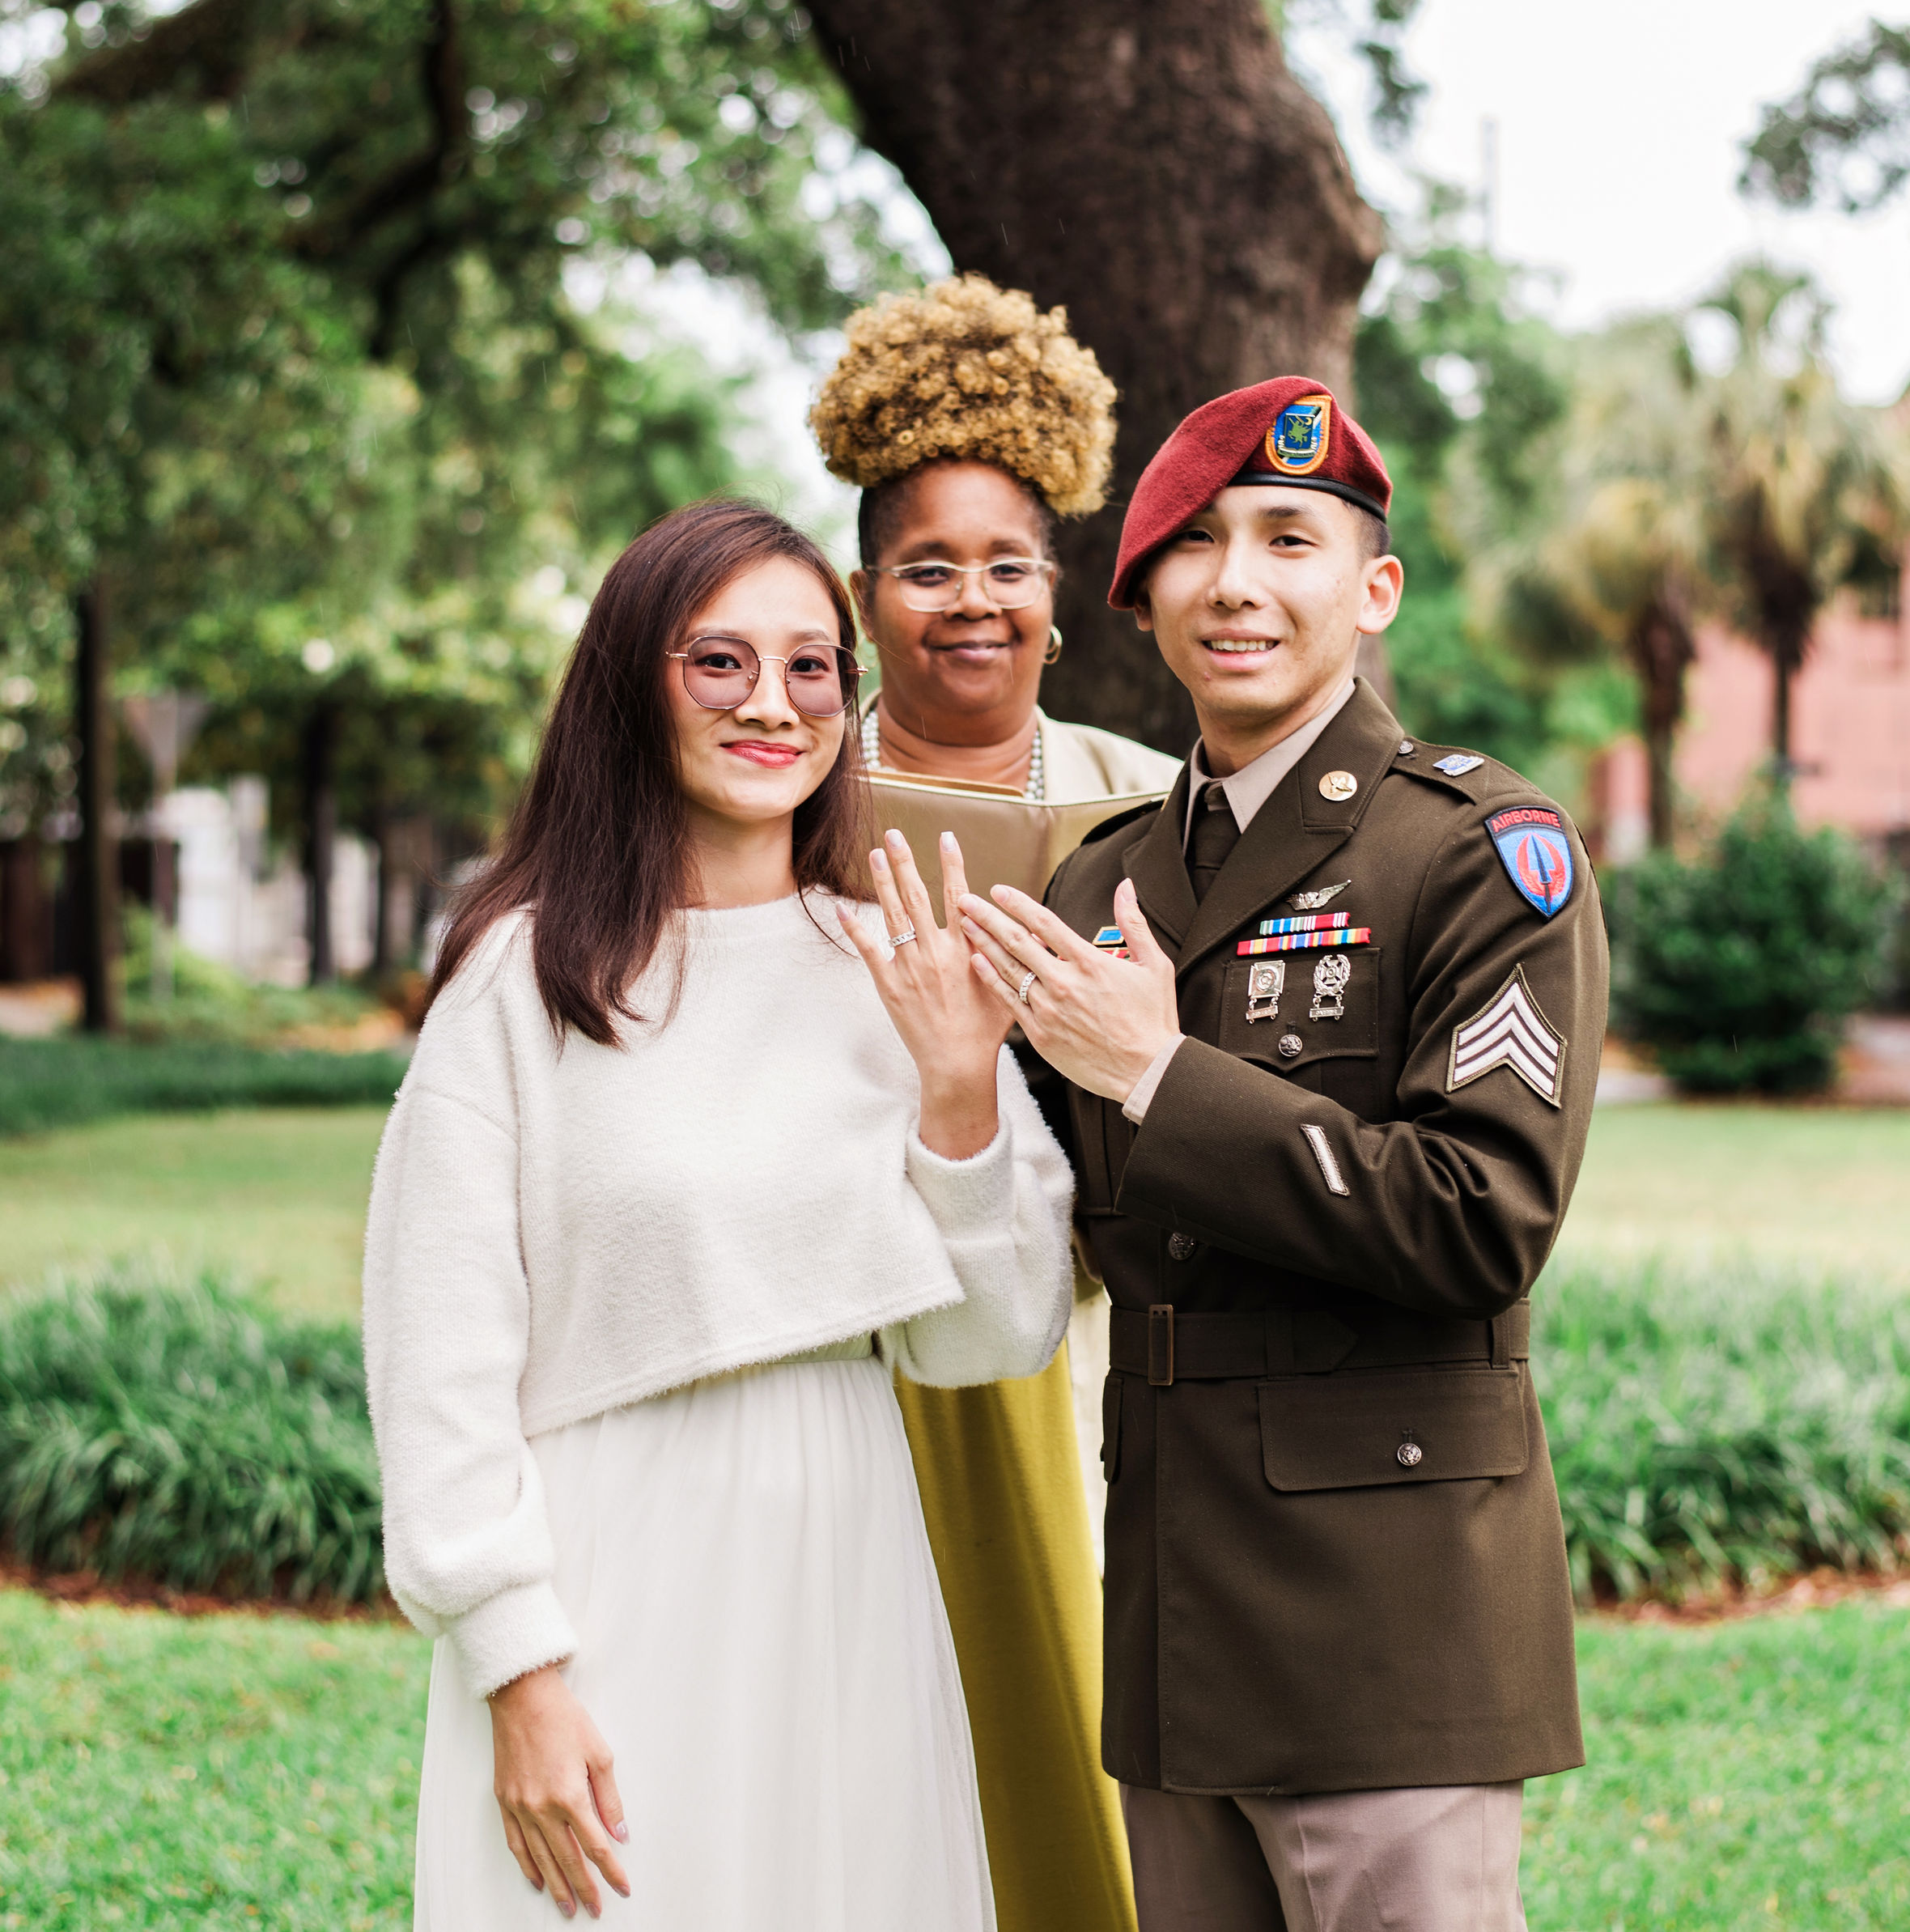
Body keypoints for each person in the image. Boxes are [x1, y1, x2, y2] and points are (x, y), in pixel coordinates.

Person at [362, 499, 1076, 1929]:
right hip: (610, 1574)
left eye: (813, 666)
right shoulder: (524, 978)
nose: (774, 704)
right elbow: (436, 1369)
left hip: (852, 1565)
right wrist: (520, 1669)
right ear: (637, 685)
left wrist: (958, 1096)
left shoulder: (898, 966)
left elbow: (996, 1338)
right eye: (720, 664)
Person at [953, 378, 1603, 1932]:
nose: (1237, 580)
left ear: (1370, 589)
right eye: (1197, 546)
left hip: (1385, 1618)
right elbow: (1053, 1227)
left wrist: (1159, 1076)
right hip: (1174, 1617)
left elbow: (1479, 1220)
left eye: (1288, 538)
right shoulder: (1106, 873)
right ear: (1146, 600)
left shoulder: (1473, 852)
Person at [808, 274, 1177, 1932]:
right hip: (820, 1326)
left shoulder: (1148, 801)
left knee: (1055, 1739)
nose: (973, 602)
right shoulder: (787, 793)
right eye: (928, 568)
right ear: (868, 593)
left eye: (1008, 566)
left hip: (1054, 1338)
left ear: (1061, 589)